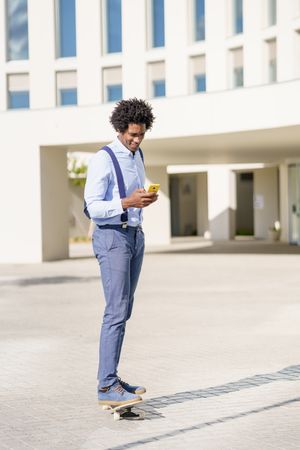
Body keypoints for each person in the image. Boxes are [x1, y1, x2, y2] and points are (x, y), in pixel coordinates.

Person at [84, 98, 157, 407]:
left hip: (134, 236)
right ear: (119, 129)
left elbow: (134, 192)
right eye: (132, 134)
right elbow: (92, 207)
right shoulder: (103, 158)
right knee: (115, 311)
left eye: (141, 134)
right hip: (112, 237)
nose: (136, 140)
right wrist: (127, 203)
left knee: (124, 310)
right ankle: (106, 385)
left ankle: (111, 376)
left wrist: (145, 198)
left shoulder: (137, 154)